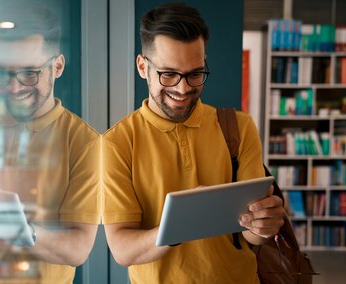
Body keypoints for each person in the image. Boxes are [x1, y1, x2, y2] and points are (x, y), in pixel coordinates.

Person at [101, 3, 285, 283]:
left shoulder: (239, 127)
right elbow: (123, 250)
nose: (183, 88)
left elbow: (252, 236)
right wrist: (180, 224)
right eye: (169, 74)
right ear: (142, 67)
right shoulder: (117, 143)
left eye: (195, 74)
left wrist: (263, 225)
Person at [0, 4, 99, 283]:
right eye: (3, 73)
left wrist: (21, 230)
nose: (14, 88)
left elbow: (78, 250)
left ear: (57, 66)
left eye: (29, 73)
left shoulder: (85, 142)